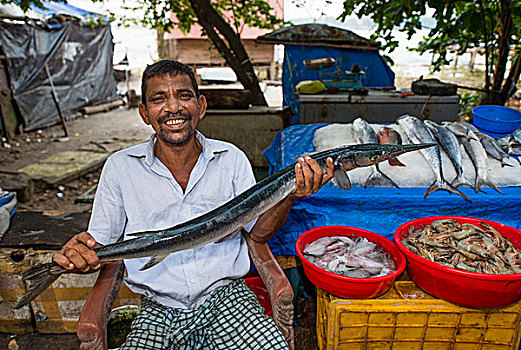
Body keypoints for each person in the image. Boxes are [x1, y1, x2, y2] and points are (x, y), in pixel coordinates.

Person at [53, 59, 334, 349]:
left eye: (184, 96)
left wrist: (289, 195)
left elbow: (258, 234)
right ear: (145, 113)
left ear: (201, 106)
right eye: (159, 99)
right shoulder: (120, 168)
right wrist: (81, 255)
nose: (173, 107)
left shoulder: (231, 158)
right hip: (157, 308)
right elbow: (100, 244)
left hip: (229, 300)